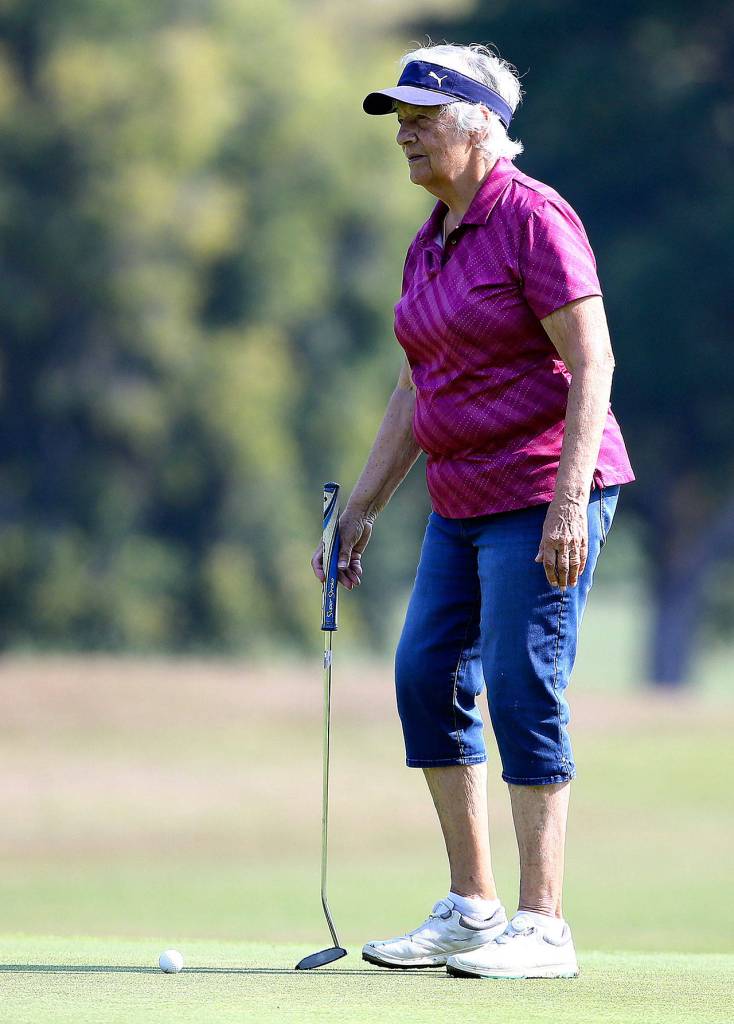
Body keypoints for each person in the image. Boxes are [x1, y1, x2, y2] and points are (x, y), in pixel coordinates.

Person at [311, 42, 635, 980]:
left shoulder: (534, 220)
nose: (406, 132)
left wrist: (569, 502)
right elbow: (419, 382)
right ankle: (473, 908)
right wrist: (360, 508)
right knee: (422, 674)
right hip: (461, 498)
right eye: (399, 118)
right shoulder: (432, 237)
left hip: (543, 488)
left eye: (424, 115)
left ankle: (545, 926)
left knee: (522, 678)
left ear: (481, 127)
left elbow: (594, 362)